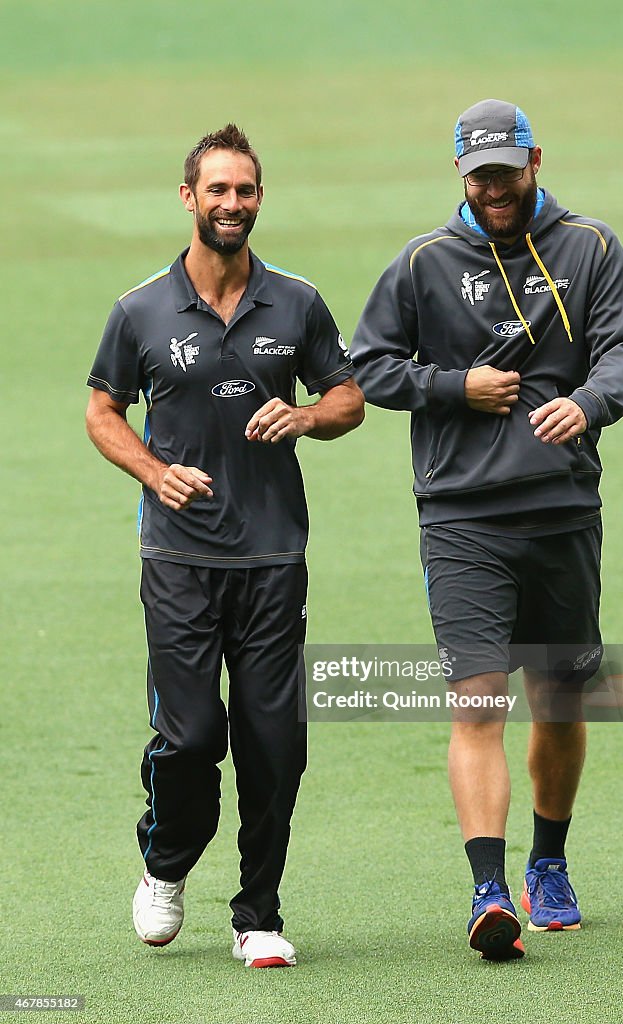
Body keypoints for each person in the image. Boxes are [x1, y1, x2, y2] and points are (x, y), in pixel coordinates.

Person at [350, 99, 623, 960]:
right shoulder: (422, 262)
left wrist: (588, 404)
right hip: (461, 518)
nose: (495, 189)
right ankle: (488, 890)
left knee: (560, 699)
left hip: (562, 512)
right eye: (480, 175)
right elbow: (370, 363)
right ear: (459, 173)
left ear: (535, 160)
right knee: (477, 698)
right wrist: (453, 387)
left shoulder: (591, 247)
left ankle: (547, 863)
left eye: (507, 172)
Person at [86, 124, 364, 968]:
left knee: (276, 744)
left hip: (275, 558)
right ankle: (165, 862)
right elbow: (103, 412)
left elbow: (347, 397)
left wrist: (307, 415)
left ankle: (258, 915)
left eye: (245, 190)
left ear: (259, 197)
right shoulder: (139, 309)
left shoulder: (298, 302)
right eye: (217, 190)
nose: (232, 204)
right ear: (188, 198)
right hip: (178, 559)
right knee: (194, 735)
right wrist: (152, 471)